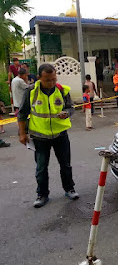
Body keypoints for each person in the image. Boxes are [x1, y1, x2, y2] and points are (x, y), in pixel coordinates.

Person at [17, 63, 79, 208]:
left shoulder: (62, 90)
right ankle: (42, 194)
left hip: (60, 135)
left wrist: (67, 113)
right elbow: (22, 114)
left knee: (65, 165)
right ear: (39, 78)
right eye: (47, 80)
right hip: (39, 137)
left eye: (53, 79)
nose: (51, 83)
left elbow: (70, 107)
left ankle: (69, 189)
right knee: (41, 168)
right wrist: (22, 134)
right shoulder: (31, 91)